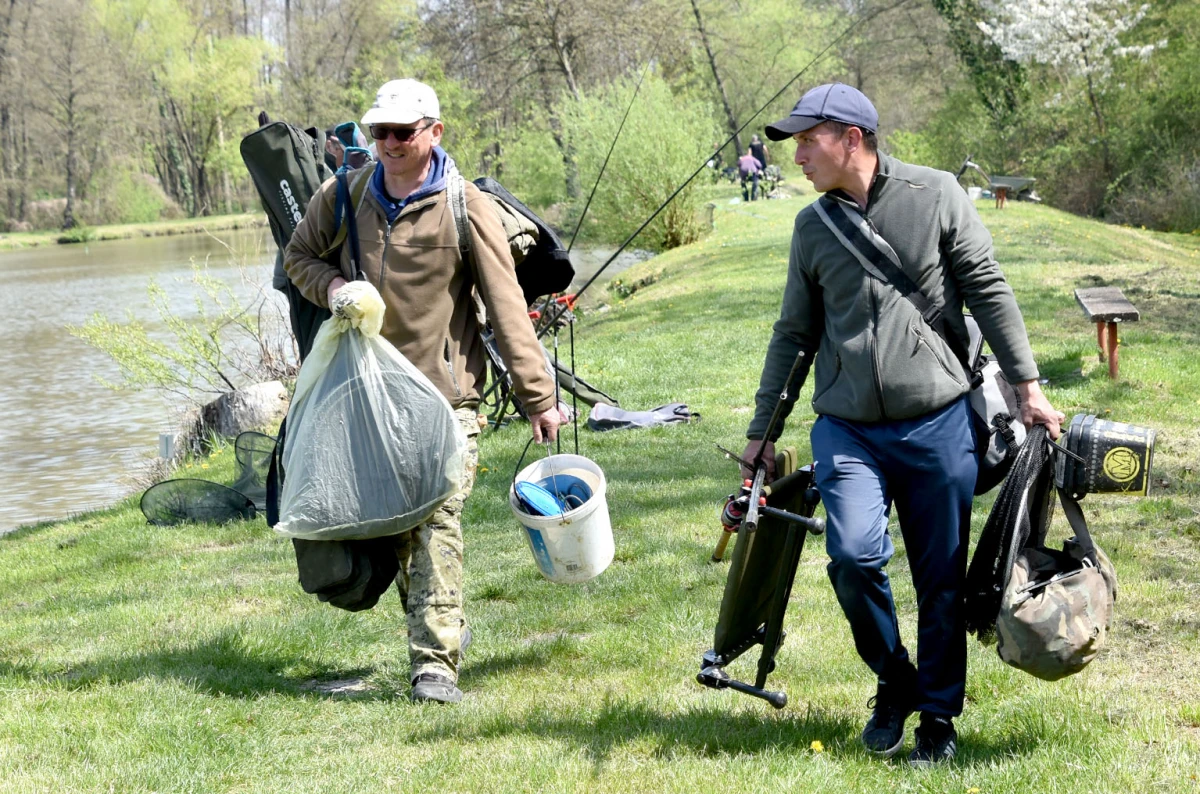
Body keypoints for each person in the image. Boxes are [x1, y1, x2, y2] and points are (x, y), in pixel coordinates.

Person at [740, 83, 1064, 767]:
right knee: (854, 558)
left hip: (938, 420)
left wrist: (1029, 389)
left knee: (939, 579)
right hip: (847, 428)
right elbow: (793, 334)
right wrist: (762, 431)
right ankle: (895, 679)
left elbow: (988, 287)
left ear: (851, 138)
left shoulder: (937, 194)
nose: (796, 153)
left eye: (807, 138)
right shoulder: (812, 227)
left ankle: (938, 719)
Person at [285, 78, 561, 705]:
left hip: (447, 398)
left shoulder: (466, 206)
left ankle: (434, 663)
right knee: (399, 526)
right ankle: (437, 631)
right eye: (379, 132)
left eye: (402, 132)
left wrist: (538, 396)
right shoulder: (345, 194)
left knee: (437, 514)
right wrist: (333, 289)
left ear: (434, 132)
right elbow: (299, 255)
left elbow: (506, 304)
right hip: (369, 395)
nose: (388, 144)